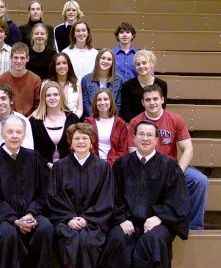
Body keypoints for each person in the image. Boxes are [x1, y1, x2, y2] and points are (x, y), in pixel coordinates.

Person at [98, 120, 191, 268]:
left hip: (158, 222)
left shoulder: (169, 166)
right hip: (127, 220)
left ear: (156, 140)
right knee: (117, 238)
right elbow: (113, 196)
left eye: (149, 135)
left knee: (153, 239)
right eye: (141, 134)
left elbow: (177, 200)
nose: (145, 138)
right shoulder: (121, 164)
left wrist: (160, 217)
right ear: (134, 138)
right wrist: (121, 218)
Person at [128, 84, 208, 230]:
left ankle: (195, 226)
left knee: (199, 180)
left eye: (155, 99)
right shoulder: (135, 122)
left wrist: (177, 172)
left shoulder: (175, 119)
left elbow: (188, 149)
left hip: (171, 168)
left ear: (162, 100)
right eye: (148, 100)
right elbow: (133, 152)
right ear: (142, 102)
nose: (152, 103)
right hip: (146, 169)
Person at [0, 115, 54, 268]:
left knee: (45, 228)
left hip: (30, 214)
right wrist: (15, 220)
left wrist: (30, 214)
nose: (15, 136)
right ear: (2, 134)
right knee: (8, 234)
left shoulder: (33, 157)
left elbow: (42, 194)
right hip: (3, 219)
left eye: (19, 132)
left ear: (24, 134)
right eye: (10, 132)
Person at [49, 123, 114, 268]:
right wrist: (69, 219)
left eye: (85, 138)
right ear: (70, 143)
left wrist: (86, 220)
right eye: (76, 138)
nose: (81, 142)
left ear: (91, 142)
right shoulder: (60, 167)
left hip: (93, 222)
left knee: (88, 241)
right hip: (65, 220)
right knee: (69, 238)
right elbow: (54, 197)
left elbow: (105, 199)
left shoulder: (102, 167)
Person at [29, 81, 79, 168]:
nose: (52, 98)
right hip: (42, 169)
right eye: (48, 95)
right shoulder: (34, 121)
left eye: (55, 94)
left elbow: (78, 146)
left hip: (69, 168)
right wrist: (47, 164)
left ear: (61, 96)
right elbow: (32, 150)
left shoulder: (73, 119)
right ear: (43, 98)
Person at [120, 50, 167, 123]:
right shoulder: (127, 85)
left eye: (144, 63)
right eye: (138, 64)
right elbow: (125, 110)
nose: (141, 66)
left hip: (155, 125)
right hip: (134, 125)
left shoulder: (162, 84)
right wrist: (137, 125)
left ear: (151, 64)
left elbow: (162, 108)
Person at [84, 88, 128, 166]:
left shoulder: (120, 123)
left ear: (111, 101)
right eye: (99, 100)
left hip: (115, 165)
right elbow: (87, 147)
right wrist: (98, 164)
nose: (102, 102)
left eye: (105, 99)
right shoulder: (88, 122)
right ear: (95, 102)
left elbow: (123, 150)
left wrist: (111, 164)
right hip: (93, 164)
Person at [0, 42, 41, 117]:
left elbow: (38, 106)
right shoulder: (1, 80)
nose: (19, 61)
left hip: (30, 121)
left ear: (27, 58)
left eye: (22, 58)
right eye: (16, 57)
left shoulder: (35, 80)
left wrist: (28, 120)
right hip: (7, 119)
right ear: (11, 58)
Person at [81, 48, 124, 117]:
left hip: (111, 118)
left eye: (109, 59)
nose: (106, 61)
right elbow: (86, 104)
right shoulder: (86, 80)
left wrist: (110, 119)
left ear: (112, 62)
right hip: (91, 119)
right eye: (103, 58)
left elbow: (118, 105)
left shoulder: (119, 80)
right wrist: (96, 119)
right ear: (98, 60)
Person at [45, 52, 83, 118]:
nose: (61, 66)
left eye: (64, 63)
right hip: (52, 120)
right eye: (58, 64)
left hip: (72, 122)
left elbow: (80, 108)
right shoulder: (46, 84)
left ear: (69, 65)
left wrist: (73, 119)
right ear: (54, 66)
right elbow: (43, 107)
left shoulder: (76, 83)